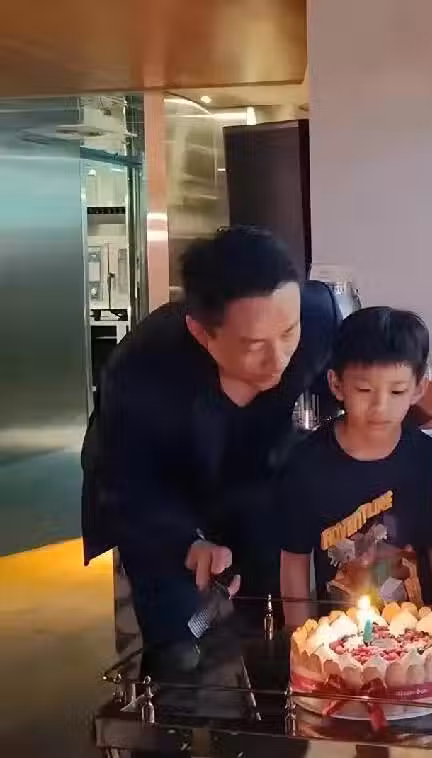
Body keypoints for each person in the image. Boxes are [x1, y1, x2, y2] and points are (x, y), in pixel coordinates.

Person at [81, 226, 341, 653]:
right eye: (254, 345)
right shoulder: (142, 370)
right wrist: (186, 540)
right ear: (202, 333)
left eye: (288, 333)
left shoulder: (318, 315)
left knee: (269, 624)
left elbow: (350, 384)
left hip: (255, 485)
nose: (278, 358)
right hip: (165, 499)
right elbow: (126, 481)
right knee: (183, 642)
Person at [279, 307, 432, 628]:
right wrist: (297, 636)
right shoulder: (306, 464)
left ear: (419, 387)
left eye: (396, 391)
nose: (380, 406)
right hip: (336, 640)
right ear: (336, 384)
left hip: (418, 635)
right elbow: (294, 559)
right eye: (364, 390)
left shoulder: (429, 462)